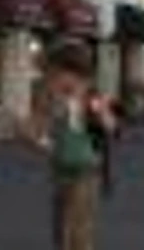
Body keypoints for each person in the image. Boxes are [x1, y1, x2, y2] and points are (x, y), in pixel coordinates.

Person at [28, 46, 116, 250]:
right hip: (60, 168)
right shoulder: (50, 97)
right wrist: (43, 142)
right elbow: (36, 129)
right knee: (60, 230)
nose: (54, 78)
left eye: (58, 73)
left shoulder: (91, 96)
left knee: (80, 231)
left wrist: (101, 113)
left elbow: (110, 127)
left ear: (74, 73)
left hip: (87, 168)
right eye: (53, 73)